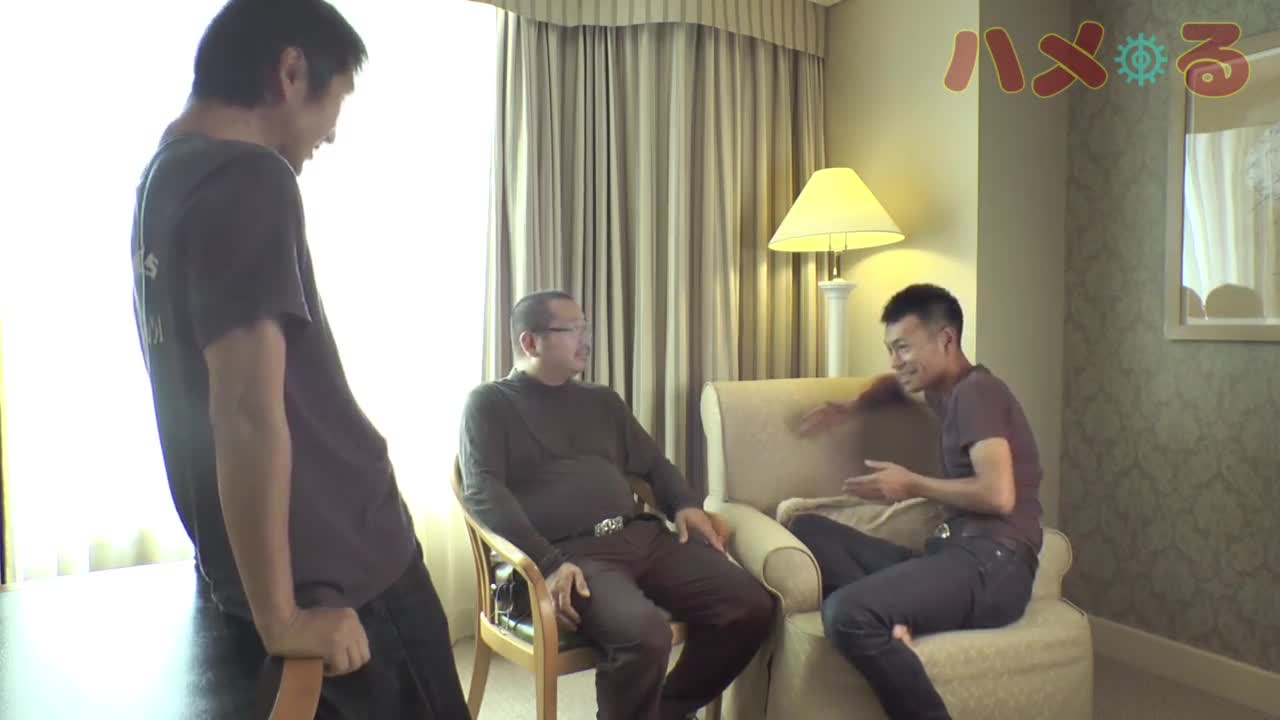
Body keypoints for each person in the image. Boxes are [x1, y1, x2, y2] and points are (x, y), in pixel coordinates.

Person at [130, 1, 468, 717]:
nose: (332, 132)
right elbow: (245, 413)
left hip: (263, 568)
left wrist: (264, 602)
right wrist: (282, 617)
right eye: (335, 100)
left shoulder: (163, 179)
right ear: (290, 72)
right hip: (347, 565)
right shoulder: (250, 177)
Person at [459, 290, 776, 720]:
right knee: (644, 636)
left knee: (750, 606)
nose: (585, 340)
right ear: (530, 342)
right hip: (570, 557)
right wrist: (548, 563)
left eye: (585, 328)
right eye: (571, 330)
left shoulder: (601, 401)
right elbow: (483, 493)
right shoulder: (489, 404)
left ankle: (664, 711)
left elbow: (653, 464)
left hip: (640, 537)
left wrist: (684, 504)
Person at [792, 283, 1043, 720]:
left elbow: (998, 494)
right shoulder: (942, 388)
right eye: (890, 349)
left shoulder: (978, 393)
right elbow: (892, 386)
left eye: (903, 347)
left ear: (946, 339)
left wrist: (911, 485)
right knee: (805, 530)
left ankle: (887, 627)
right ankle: (894, 616)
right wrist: (850, 407)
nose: (895, 361)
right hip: (951, 555)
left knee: (845, 613)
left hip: (995, 565)